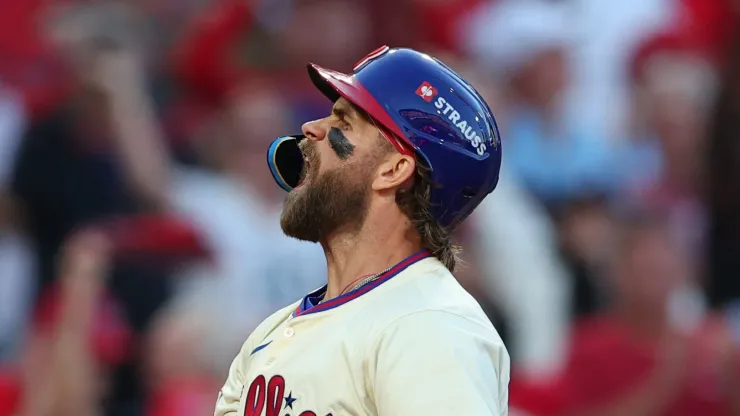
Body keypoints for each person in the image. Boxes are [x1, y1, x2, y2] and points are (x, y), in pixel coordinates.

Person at [214, 45, 509, 415]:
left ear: (394, 170)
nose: (311, 128)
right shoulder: (269, 334)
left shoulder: (429, 326)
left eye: (343, 122)